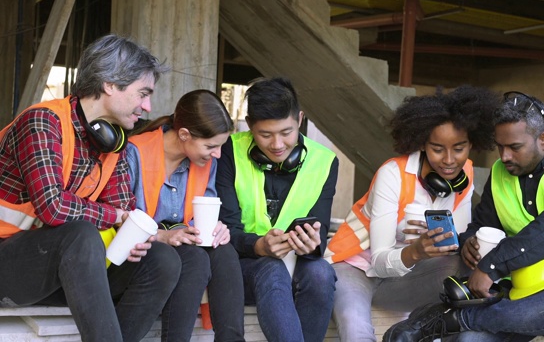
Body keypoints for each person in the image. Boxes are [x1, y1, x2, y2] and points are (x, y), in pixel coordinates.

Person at [384, 91, 544, 342]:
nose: (504, 156)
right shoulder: (501, 172)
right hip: (519, 300)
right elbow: (482, 225)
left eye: (514, 147)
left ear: (543, 139)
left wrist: (492, 265)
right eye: (500, 146)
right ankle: (458, 322)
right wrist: (470, 241)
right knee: (467, 340)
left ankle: (449, 319)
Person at [0, 34, 182, 341]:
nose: (148, 107)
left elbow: (125, 211)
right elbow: (53, 207)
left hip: (70, 274)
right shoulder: (43, 122)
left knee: (163, 260)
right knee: (80, 234)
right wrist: (116, 218)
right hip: (11, 266)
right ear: (110, 84)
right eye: (143, 93)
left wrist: (132, 237)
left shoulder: (115, 141)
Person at [324, 85, 501, 341]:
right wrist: (416, 251)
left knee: (462, 263)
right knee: (356, 329)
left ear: (472, 143)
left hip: (404, 277)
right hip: (355, 267)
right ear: (422, 144)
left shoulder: (466, 176)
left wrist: (467, 246)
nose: (449, 160)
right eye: (438, 149)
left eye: (459, 148)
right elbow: (378, 261)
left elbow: (454, 245)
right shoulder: (393, 174)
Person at [215, 77, 338, 342]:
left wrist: (312, 244)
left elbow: (321, 234)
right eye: (265, 135)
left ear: (300, 119)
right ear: (249, 125)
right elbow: (226, 229)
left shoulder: (325, 161)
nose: (278, 145)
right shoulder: (228, 151)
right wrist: (258, 246)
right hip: (244, 267)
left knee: (321, 273)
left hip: (296, 264)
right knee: (271, 269)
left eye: (286, 132)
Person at [126, 89, 245, 341]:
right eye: (211, 146)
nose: (218, 154)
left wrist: (217, 228)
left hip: (182, 244)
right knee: (195, 259)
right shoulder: (134, 152)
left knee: (224, 249)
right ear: (184, 134)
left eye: (220, 146)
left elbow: (202, 214)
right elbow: (119, 219)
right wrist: (165, 236)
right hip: (140, 250)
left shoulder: (206, 162)